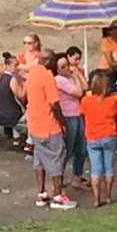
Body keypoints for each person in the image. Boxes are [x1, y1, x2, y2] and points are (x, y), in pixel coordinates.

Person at [25, 51, 75, 210]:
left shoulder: (32, 73)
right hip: (49, 126)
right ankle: (58, 196)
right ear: (48, 61)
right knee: (56, 158)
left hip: (34, 124)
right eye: (54, 61)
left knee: (39, 158)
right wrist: (63, 123)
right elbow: (54, 104)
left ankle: (41, 194)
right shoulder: (47, 76)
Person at [79, 69, 117, 207]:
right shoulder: (112, 101)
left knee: (95, 169)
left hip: (92, 137)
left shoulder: (86, 100)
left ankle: (96, 199)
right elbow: (116, 115)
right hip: (108, 136)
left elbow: (82, 115)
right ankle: (108, 196)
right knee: (109, 168)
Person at [56, 48, 89, 191]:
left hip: (77, 114)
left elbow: (86, 86)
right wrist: (75, 77)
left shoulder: (69, 77)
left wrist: (76, 74)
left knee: (81, 147)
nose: (66, 68)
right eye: (62, 67)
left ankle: (77, 176)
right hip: (68, 116)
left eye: (66, 65)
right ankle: (59, 176)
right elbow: (78, 92)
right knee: (67, 148)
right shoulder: (59, 80)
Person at [0, 53, 27, 148]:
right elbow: (21, 96)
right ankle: (29, 141)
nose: (18, 67)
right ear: (8, 66)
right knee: (31, 116)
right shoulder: (12, 80)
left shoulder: (0, 78)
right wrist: (25, 82)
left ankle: (16, 137)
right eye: (15, 65)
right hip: (12, 116)